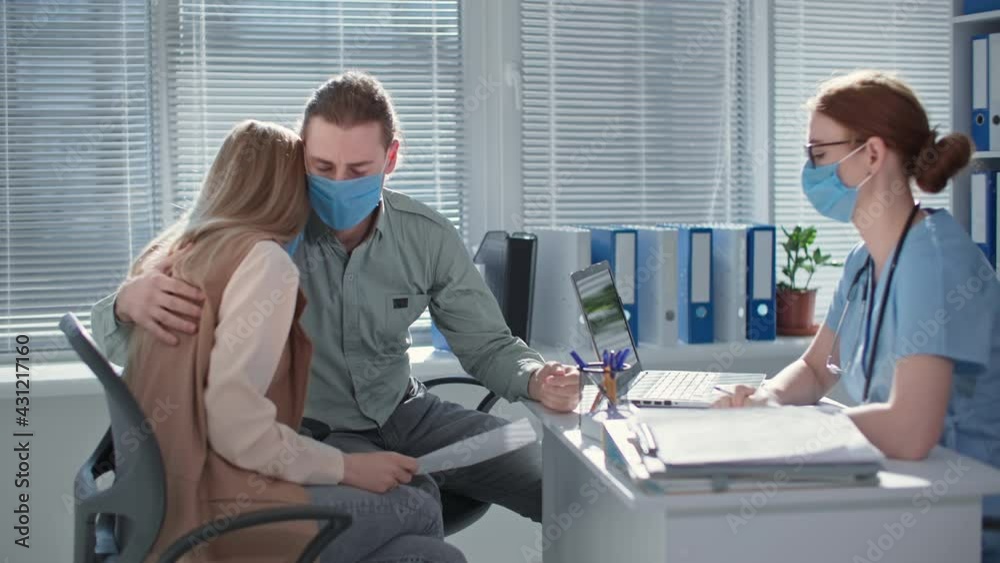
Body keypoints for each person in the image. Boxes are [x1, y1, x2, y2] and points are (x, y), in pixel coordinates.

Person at [91, 71, 580, 525]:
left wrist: (537, 378)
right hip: (315, 433)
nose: (338, 183)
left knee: (565, 488)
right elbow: (148, 348)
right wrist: (124, 304)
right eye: (322, 166)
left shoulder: (426, 235)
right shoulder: (265, 238)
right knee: (403, 517)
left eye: (358, 168)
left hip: (409, 414)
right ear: (301, 156)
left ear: (390, 160)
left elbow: (487, 345)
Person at [120, 120, 465, 563]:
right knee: (419, 500)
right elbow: (235, 426)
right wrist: (347, 467)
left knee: (426, 555)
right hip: (213, 515)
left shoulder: (173, 257)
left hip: (159, 509)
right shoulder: (264, 262)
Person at [714, 70, 1000, 561]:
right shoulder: (864, 259)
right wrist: (767, 402)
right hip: (907, 491)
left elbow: (911, 431)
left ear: (871, 154)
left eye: (819, 156)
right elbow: (814, 367)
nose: (811, 173)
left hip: (966, 515)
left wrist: (787, 431)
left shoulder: (934, 259)